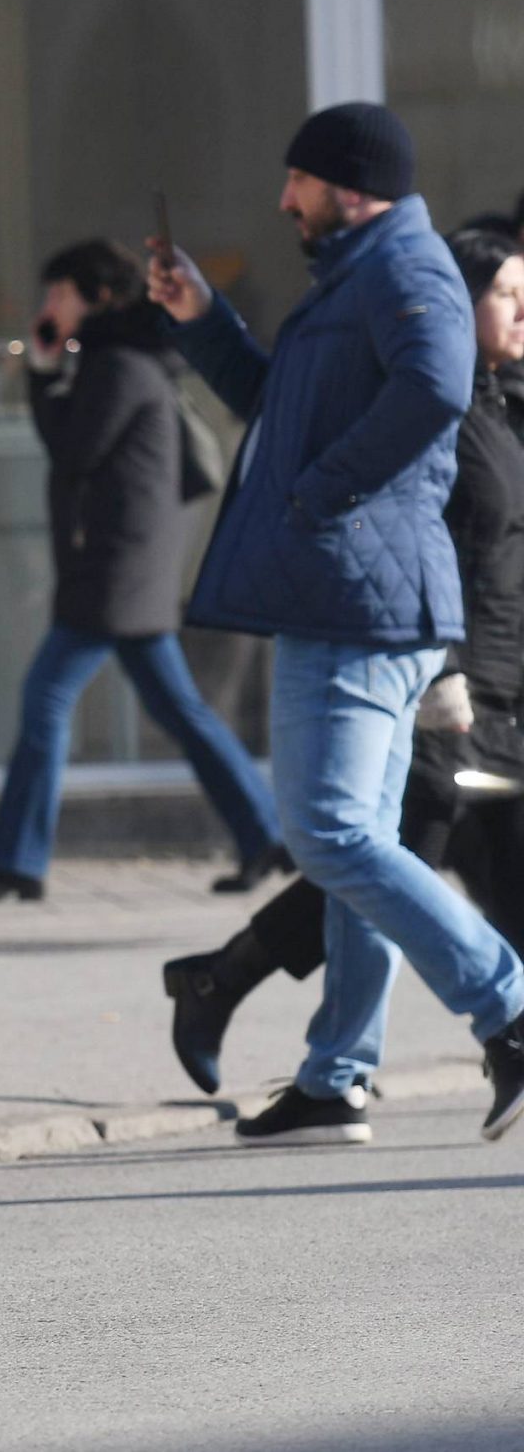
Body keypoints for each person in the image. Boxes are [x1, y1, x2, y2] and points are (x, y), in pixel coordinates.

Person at [146, 102, 524, 1145]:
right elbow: (279, 405)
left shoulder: (403, 269)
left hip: (353, 597)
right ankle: (335, 1078)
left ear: (349, 186)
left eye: (297, 183)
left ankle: (508, 1004)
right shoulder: (355, 280)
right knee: (355, 840)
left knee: (329, 832)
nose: (283, 201)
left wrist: (322, 494)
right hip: (352, 590)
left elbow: (437, 388)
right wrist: (201, 318)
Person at [0, 240, 284, 905]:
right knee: (181, 710)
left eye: (58, 294)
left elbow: (74, 450)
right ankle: (265, 834)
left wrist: (43, 375)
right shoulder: (125, 359)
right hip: (125, 568)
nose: (48, 307)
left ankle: (17, 860)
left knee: (47, 698)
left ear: (97, 297)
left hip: (115, 572)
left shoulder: (118, 365)